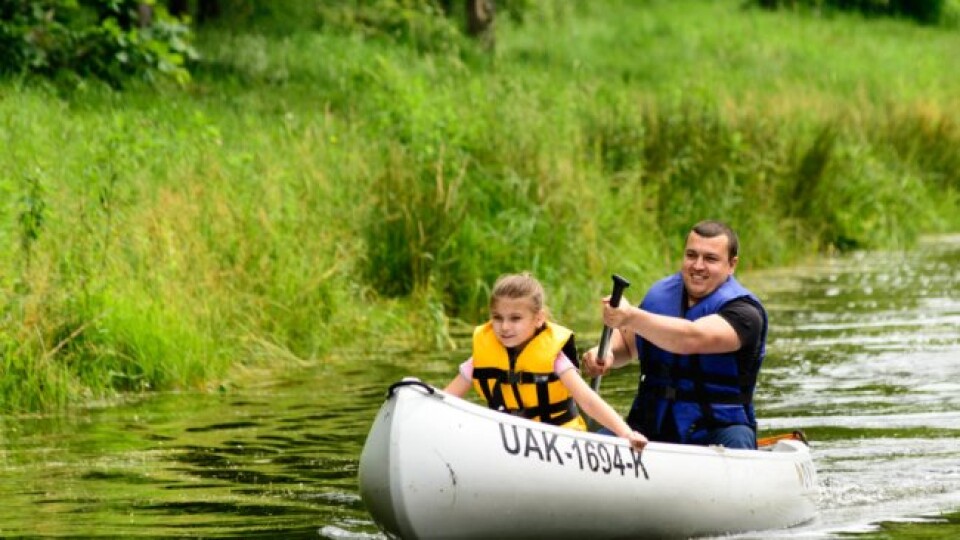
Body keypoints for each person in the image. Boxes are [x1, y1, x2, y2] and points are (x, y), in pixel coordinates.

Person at [582, 220, 767, 449]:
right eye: (691, 255)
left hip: (718, 431)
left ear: (731, 265)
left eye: (710, 259)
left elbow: (692, 338)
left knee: (737, 440)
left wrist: (630, 316)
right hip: (649, 426)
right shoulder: (660, 296)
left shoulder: (745, 313)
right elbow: (630, 346)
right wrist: (606, 353)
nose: (698, 266)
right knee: (599, 440)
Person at [444, 273, 648, 451]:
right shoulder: (483, 356)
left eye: (515, 318)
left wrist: (626, 434)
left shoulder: (554, 358)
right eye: (497, 318)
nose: (504, 327)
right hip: (508, 442)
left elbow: (588, 401)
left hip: (559, 442)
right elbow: (447, 399)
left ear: (539, 318)